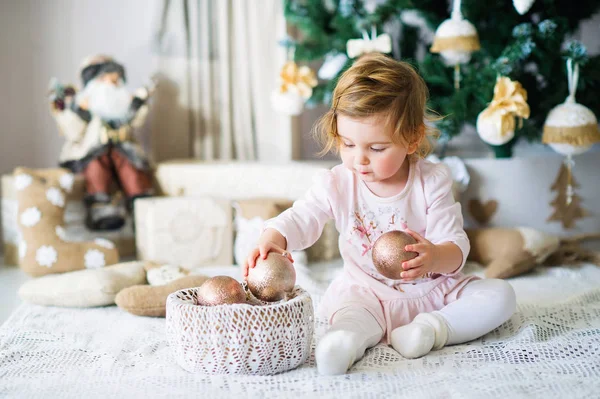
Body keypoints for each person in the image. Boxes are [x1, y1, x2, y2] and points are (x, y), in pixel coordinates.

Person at [242, 53, 516, 375]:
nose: (360, 160)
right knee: (351, 315)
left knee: (501, 295)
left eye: (376, 148)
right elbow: (304, 216)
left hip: (432, 292)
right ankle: (345, 341)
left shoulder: (432, 180)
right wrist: (273, 237)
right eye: (348, 144)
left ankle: (428, 331)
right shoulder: (338, 183)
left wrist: (434, 257)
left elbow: (455, 244)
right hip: (367, 293)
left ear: (412, 138)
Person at [49, 55, 154, 231]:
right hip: (93, 149)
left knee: (132, 168)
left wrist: (137, 103)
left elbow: (135, 121)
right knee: (96, 167)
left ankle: (142, 209)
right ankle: (101, 209)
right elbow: (73, 132)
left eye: (115, 80)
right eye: (105, 79)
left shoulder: (122, 106)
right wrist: (76, 112)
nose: (110, 85)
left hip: (122, 148)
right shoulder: (84, 105)